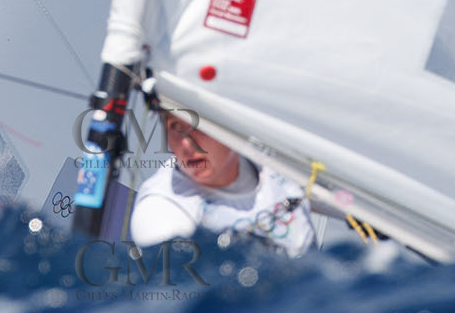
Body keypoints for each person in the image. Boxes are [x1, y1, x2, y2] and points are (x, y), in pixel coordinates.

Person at [129, 108, 324, 257]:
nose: (187, 144)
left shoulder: (277, 159)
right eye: (174, 127)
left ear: (229, 124)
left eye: (197, 126)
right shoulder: (161, 210)